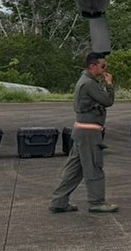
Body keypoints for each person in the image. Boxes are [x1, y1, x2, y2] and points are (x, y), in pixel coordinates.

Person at [49, 52, 118, 213]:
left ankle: (59, 201)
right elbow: (108, 101)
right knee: (94, 166)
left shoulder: (86, 81)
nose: (104, 69)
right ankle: (96, 202)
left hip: (81, 131)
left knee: (74, 170)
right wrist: (109, 84)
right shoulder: (89, 84)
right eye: (103, 66)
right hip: (89, 133)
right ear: (93, 66)